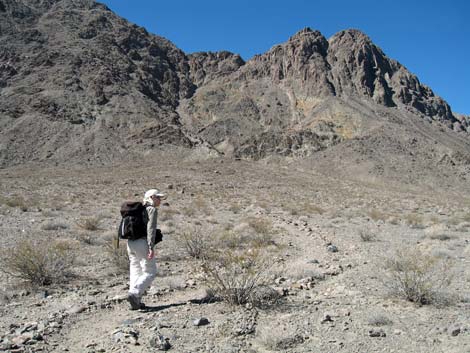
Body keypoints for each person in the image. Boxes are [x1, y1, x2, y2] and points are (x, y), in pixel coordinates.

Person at [127, 189, 165, 310]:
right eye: (158, 197)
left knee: (136, 270)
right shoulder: (151, 210)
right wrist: (151, 246)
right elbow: (151, 229)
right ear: (152, 197)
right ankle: (135, 293)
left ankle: (135, 300)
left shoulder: (138, 210)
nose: (160, 200)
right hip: (142, 243)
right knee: (150, 271)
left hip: (131, 243)